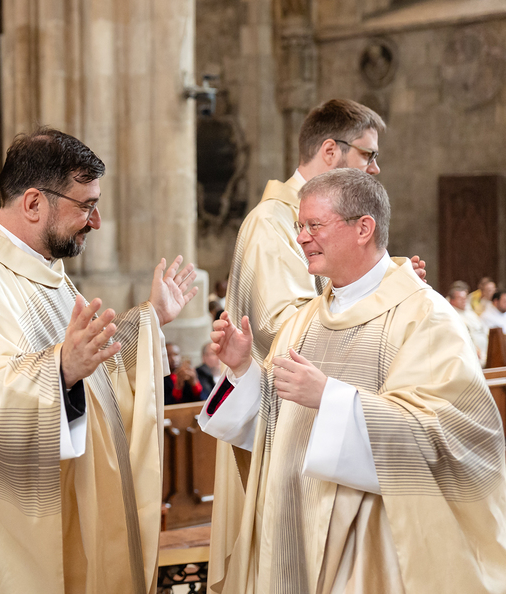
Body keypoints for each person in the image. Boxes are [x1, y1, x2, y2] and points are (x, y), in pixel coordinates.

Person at [0, 127, 198, 594]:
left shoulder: (42, 273)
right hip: (5, 543)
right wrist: (59, 370)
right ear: (34, 203)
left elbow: (93, 371)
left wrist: (150, 319)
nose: (96, 221)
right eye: (86, 206)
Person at [201, 169, 506, 592]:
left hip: (368, 548)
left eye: (314, 225)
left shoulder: (425, 317)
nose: (301, 238)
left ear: (364, 228)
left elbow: (456, 437)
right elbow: (272, 425)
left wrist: (330, 398)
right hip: (288, 530)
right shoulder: (302, 321)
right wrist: (242, 371)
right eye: (300, 226)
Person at [207, 98, 428, 587]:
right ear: (331, 150)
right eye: (368, 154)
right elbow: (291, 332)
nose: (376, 167)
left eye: (314, 228)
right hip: (283, 428)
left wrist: (386, 286)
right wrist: (380, 291)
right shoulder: (271, 222)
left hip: (328, 437)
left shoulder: (421, 309)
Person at [448, 281, 489, 365]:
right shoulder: (451, 316)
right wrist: (474, 350)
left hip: (486, 352)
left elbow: (483, 329)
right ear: (452, 300)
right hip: (472, 356)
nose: (464, 301)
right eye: (460, 298)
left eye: (465, 298)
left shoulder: (470, 313)